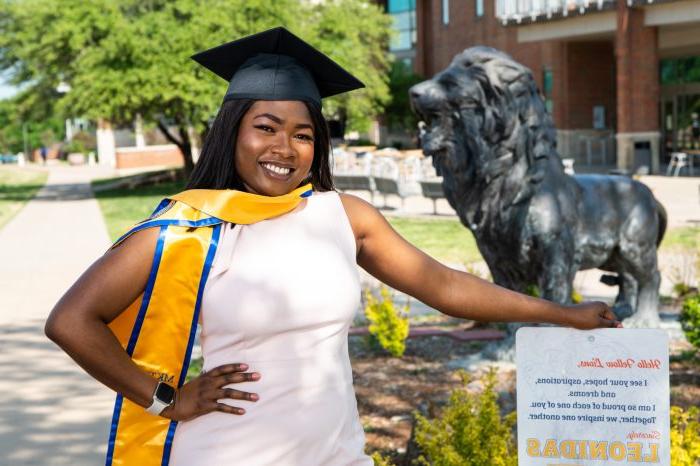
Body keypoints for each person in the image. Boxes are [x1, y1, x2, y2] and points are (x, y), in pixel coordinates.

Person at [44, 27, 619, 466]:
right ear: (233, 131)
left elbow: (443, 285)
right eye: (265, 127)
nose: (285, 147)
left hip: (337, 451)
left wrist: (561, 313)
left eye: (302, 134)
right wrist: (167, 399)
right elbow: (72, 321)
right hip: (232, 453)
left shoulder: (341, 216)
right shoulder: (191, 228)